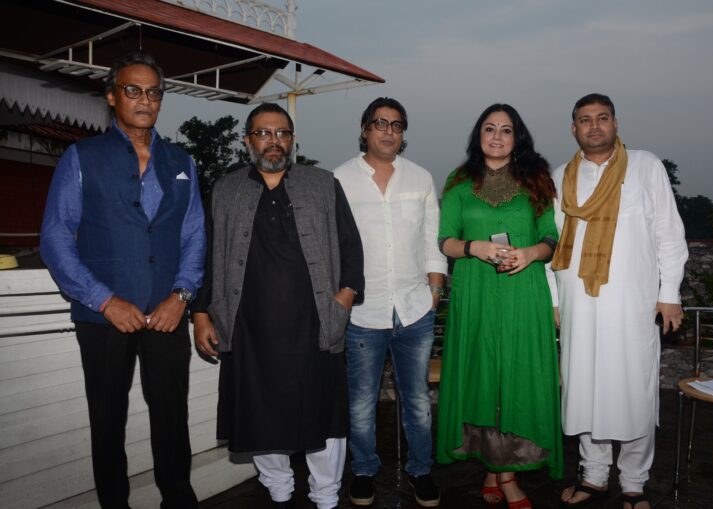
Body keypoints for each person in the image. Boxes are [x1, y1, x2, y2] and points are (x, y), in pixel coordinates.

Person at [40, 52, 204, 508]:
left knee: (173, 418)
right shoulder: (81, 157)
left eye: (153, 92)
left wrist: (182, 296)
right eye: (133, 90)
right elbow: (55, 239)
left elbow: (194, 236)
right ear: (112, 97)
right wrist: (104, 301)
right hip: (104, 318)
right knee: (108, 421)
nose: (144, 100)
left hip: (168, 315)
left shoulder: (182, 161)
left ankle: (179, 500)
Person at [191, 103, 364, 509]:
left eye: (282, 133)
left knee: (324, 415)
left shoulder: (323, 183)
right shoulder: (225, 189)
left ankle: (325, 496)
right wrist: (200, 313)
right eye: (264, 133)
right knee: (260, 414)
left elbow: (351, 248)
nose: (274, 141)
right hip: (249, 329)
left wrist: (343, 300)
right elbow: (206, 254)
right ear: (247, 140)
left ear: (292, 139)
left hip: (315, 325)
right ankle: (279, 491)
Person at [551, 94, 687, 509]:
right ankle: (593, 475)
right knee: (585, 389)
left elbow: (669, 235)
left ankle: (633, 481)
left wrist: (670, 295)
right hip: (578, 306)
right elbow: (550, 245)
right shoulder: (560, 178)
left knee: (634, 392)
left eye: (602, 118)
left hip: (633, 306)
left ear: (615, 123)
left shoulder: (645, 166)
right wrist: (555, 300)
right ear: (573, 128)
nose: (594, 126)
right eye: (585, 120)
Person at [436, 104, 563, 509]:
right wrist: (475, 247)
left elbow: (551, 238)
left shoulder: (537, 180)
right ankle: (497, 472)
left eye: (506, 130)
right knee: (483, 378)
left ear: (517, 137)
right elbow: (444, 240)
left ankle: (502, 475)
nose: (496, 136)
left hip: (522, 293)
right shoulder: (458, 181)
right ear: (478, 135)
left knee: (516, 378)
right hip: (475, 294)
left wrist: (530, 253)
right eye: (489, 129)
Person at [334, 97, 447, 507]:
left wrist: (435, 290)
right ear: (365, 129)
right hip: (363, 311)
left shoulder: (420, 178)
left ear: (403, 134)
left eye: (397, 125)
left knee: (416, 399)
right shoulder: (340, 179)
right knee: (361, 401)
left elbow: (431, 239)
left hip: (415, 308)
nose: (388, 131)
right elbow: (335, 245)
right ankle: (364, 470)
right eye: (380, 123)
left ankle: (421, 470)